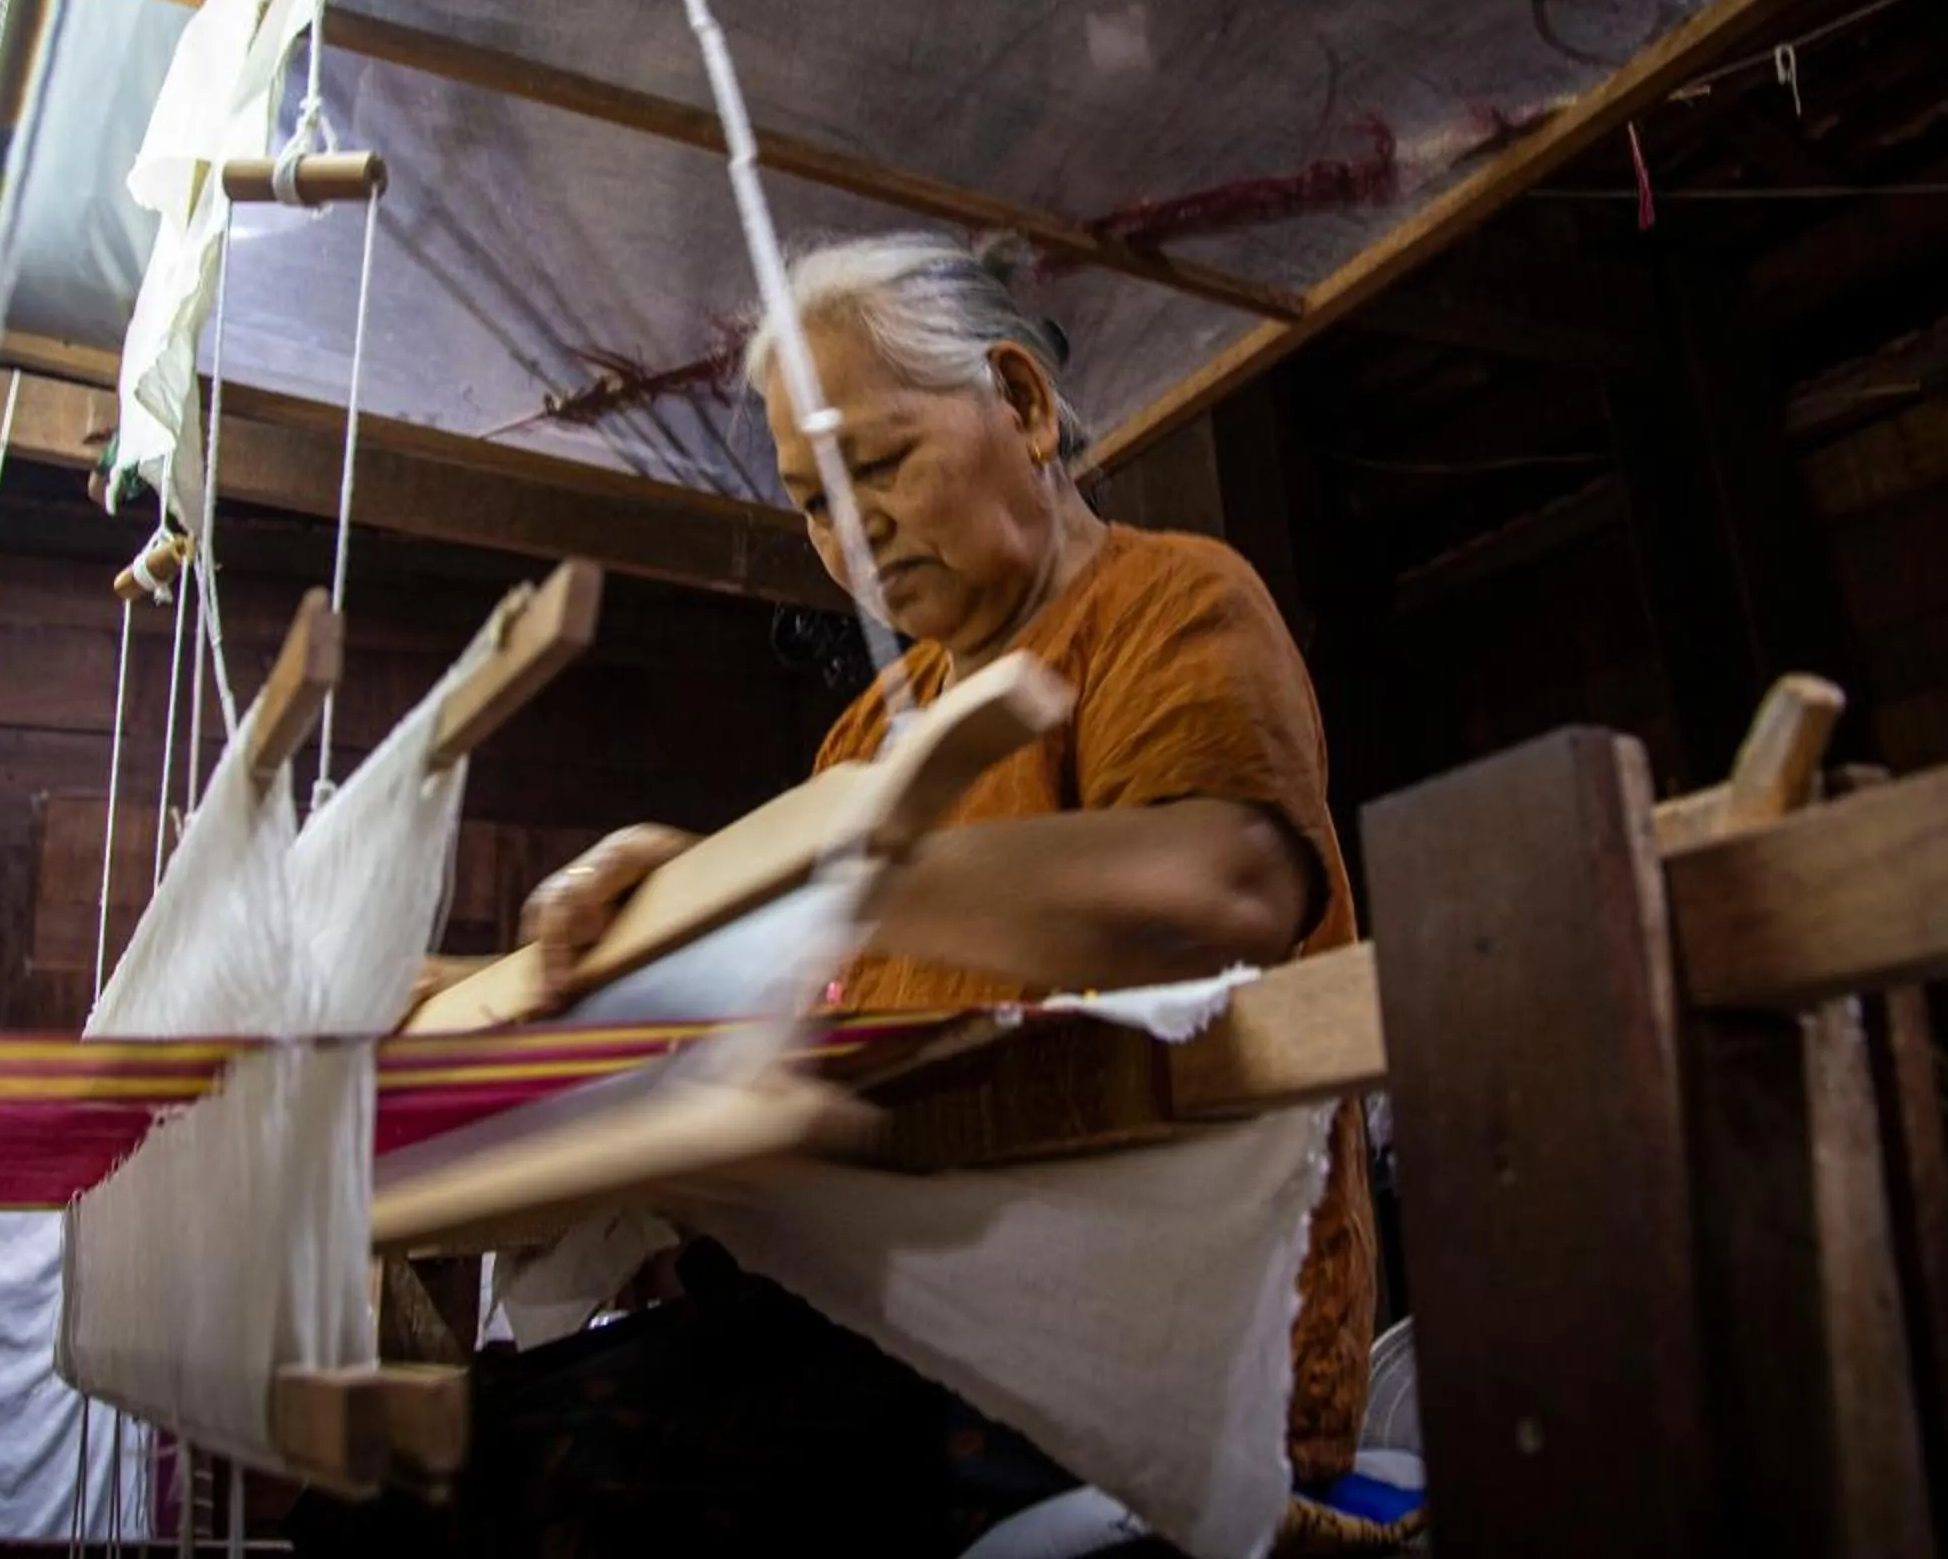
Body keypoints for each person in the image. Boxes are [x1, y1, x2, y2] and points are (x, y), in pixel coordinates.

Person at [297, 236, 1391, 1556]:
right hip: (907, 1315)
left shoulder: (1168, 603)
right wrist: (650, 963)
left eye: (878, 465)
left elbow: (1216, 889)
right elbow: (820, 1002)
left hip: (1137, 1339)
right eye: (812, 500)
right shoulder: (875, 733)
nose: (848, 528)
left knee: (581, 1494)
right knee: (389, 1488)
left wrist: (816, 879)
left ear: (1026, 408)